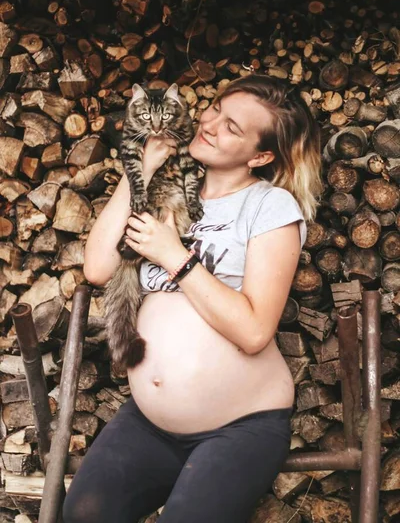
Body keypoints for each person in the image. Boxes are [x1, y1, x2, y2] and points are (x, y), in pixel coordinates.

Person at [63, 74, 323, 523]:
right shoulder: (169, 189)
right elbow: (99, 267)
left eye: (232, 128)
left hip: (240, 426)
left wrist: (173, 256)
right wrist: (143, 165)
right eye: (216, 109)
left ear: (260, 155)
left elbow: (255, 330)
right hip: (151, 424)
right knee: (85, 513)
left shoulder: (269, 206)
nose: (210, 123)